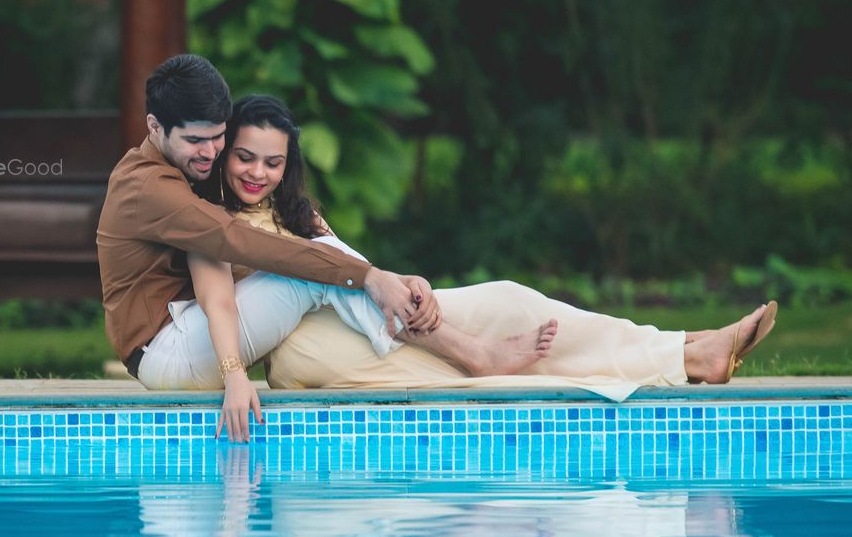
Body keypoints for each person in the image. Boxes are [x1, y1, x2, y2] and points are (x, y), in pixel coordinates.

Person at [185, 95, 777, 439]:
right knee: (488, 381)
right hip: (306, 352)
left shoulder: (298, 212)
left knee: (512, 303)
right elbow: (225, 304)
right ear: (223, 153)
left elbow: (355, 269)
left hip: (373, 316)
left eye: (272, 162)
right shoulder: (212, 220)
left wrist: (409, 288)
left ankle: (687, 350)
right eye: (244, 157)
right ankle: (677, 359)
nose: (256, 173)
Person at [97, 54, 450, 400]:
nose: (210, 151)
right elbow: (240, 241)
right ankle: (460, 348)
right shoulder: (151, 189)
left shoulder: (176, 170)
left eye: (218, 136)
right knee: (311, 272)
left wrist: (376, 276)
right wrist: (371, 277)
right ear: (154, 126)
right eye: (195, 140)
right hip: (167, 354)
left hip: (186, 335)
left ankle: (416, 312)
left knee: (329, 264)